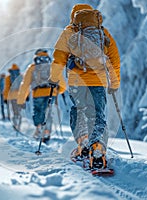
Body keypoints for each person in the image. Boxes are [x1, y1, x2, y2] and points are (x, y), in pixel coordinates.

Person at [48, 4, 121, 169]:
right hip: (99, 82)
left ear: (74, 16)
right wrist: (114, 83)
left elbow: (58, 59)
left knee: (79, 111)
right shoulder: (102, 32)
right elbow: (114, 59)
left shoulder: (69, 32)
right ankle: (97, 149)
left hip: (76, 82)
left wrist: (54, 79)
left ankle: (83, 144)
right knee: (98, 115)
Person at [17, 49, 60, 143]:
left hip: (38, 93)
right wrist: (59, 90)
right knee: (48, 112)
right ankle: (47, 132)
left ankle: (39, 129)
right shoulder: (52, 66)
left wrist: (21, 100)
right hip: (51, 93)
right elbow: (61, 81)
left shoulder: (32, 67)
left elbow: (25, 85)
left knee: (38, 111)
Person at [3, 64, 23, 130]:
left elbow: (7, 89)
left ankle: (15, 125)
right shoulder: (21, 76)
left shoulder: (8, 78)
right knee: (19, 111)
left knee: (14, 112)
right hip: (20, 96)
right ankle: (19, 125)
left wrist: (5, 98)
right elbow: (24, 87)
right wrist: (26, 96)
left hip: (12, 97)